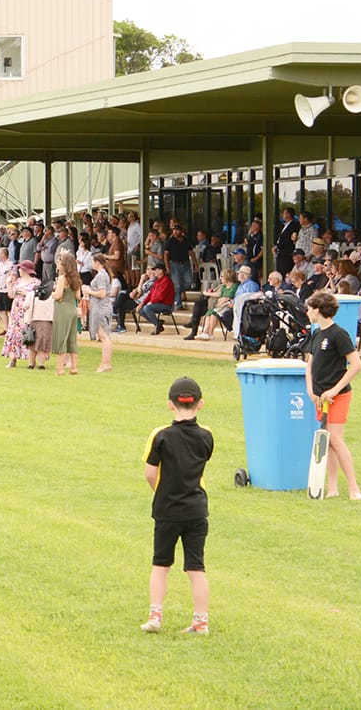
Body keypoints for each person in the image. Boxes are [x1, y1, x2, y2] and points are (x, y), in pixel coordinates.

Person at [140, 376, 214, 635]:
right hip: (196, 509)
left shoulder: (160, 436)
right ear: (200, 404)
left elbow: (151, 473)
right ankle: (201, 621)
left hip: (167, 510)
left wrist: (162, 492)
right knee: (196, 567)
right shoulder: (206, 436)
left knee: (161, 565)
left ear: (170, 404)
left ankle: (155, 616)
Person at [304, 292, 361, 500]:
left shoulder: (339, 334)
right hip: (320, 397)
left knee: (337, 440)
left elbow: (356, 365)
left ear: (318, 310)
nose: (307, 312)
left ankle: (354, 487)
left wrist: (334, 390)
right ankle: (332, 487)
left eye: (310, 308)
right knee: (327, 441)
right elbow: (310, 365)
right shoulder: (316, 334)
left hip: (337, 396)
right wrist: (311, 390)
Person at [82, 253, 119, 372]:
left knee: (104, 337)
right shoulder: (103, 275)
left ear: (97, 262)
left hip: (101, 308)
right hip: (100, 307)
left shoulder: (101, 276)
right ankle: (105, 363)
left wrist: (89, 290)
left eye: (93, 262)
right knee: (103, 337)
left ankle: (106, 364)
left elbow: (102, 293)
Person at [1, 260, 41, 368]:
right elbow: (11, 295)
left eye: (21, 269)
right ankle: (13, 358)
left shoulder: (35, 282)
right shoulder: (18, 281)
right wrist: (9, 283)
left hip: (28, 309)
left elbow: (39, 295)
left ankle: (32, 359)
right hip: (17, 309)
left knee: (29, 333)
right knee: (15, 332)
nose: (19, 270)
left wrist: (26, 293)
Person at [50, 250, 81, 375]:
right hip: (72, 308)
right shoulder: (77, 279)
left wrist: (49, 294)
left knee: (61, 338)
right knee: (72, 339)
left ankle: (60, 368)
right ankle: (74, 367)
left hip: (62, 309)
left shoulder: (63, 278)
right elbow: (78, 295)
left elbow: (57, 295)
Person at [136, 262, 176, 335]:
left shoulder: (166, 280)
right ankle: (158, 324)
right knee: (140, 310)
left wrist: (151, 302)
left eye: (156, 270)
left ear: (161, 271)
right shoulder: (157, 281)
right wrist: (142, 303)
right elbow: (150, 294)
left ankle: (157, 325)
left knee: (147, 308)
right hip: (157, 304)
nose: (154, 272)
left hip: (166, 305)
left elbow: (160, 296)